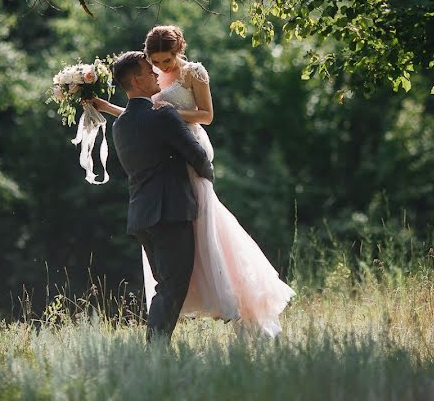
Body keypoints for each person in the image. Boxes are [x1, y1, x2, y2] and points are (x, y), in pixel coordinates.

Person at [92, 25, 295, 337]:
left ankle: (173, 339)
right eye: (153, 64)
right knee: (179, 275)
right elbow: (145, 116)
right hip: (173, 178)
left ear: (178, 51)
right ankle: (159, 345)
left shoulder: (190, 76)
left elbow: (201, 116)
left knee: (197, 257)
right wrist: (107, 107)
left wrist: (173, 114)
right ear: (143, 67)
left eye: (165, 61)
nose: (159, 70)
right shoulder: (146, 107)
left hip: (169, 179)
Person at [107, 50, 215, 344]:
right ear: (137, 80)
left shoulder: (120, 125)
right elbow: (196, 154)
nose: (157, 74)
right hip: (170, 211)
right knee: (172, 285)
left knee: (165, 284)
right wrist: (208, 180)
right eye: (149, 70)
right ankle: (155, 349)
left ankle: (157, 348)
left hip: (141, 215)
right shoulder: (163, 114)